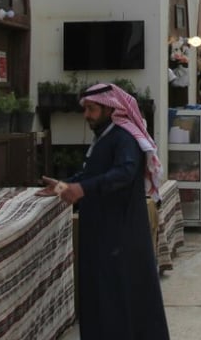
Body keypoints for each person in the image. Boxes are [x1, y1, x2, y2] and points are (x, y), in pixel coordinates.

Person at [37, 82, 170, 339]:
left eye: (92, 109)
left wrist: (81, 189)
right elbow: (91, 175)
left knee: (119, 301)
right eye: (85, 109)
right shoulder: (106, 137)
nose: (86, 115)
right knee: (101, 299)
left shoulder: (125, 138)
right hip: (102, 235)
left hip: (120, 235)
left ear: (110, 109)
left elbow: (124, 173)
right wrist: (62, 187)